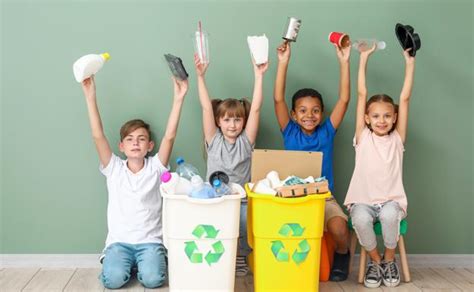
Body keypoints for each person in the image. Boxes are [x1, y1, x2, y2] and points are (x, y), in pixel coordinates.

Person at [80, 75, 188, 289]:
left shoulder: (156, 167)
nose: (135, 143)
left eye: (141, 139)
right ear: (121, 146)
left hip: (150, 242)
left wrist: (178, 99)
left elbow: (169, 136)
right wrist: (90, 97)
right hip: (119, 243)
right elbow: (98, 135)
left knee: (153, 280)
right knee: (112, 281)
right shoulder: (114, 169)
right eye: (130, 139)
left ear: (150, 145)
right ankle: (121, 263)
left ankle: (145, 264)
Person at [273, 41, 352, 281]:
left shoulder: (327, 131)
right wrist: (283, 63)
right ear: (294, 115)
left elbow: (345, 100)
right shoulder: (289, 131)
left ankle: (342, 253)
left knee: (339, 227)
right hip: (292, 197)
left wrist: (344, 62)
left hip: (323, 197)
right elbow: (278, 100)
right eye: (304, 111)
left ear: (322, 113)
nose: (310, 115)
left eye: (315, 110)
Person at [344, 44, 415, 288]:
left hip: (391, 200)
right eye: (376, 116)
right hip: (362, 200)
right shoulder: (363, 137)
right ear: (367, 119)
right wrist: (363, 58)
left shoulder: (397, 138)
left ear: (394, 117)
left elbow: (404, 99)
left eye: (387, 116)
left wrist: (410, 61)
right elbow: (361, 95)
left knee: (388, 215)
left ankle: (388, 260)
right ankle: (375, 262)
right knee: (361, 220)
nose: (382, 120)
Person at [194, 54, 268, 276]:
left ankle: (240, 256)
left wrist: (259, 75)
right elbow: (207, 108)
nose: (232, 125)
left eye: (237, 120)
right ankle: (217, 257)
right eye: (227, 120)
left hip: (241, 201)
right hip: (214, 199)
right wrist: (200, 76)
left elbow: (255, 109)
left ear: (243, 122)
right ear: (219, 122)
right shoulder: (213, 140)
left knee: (243, 223)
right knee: (212, 226)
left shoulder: (246, 142)